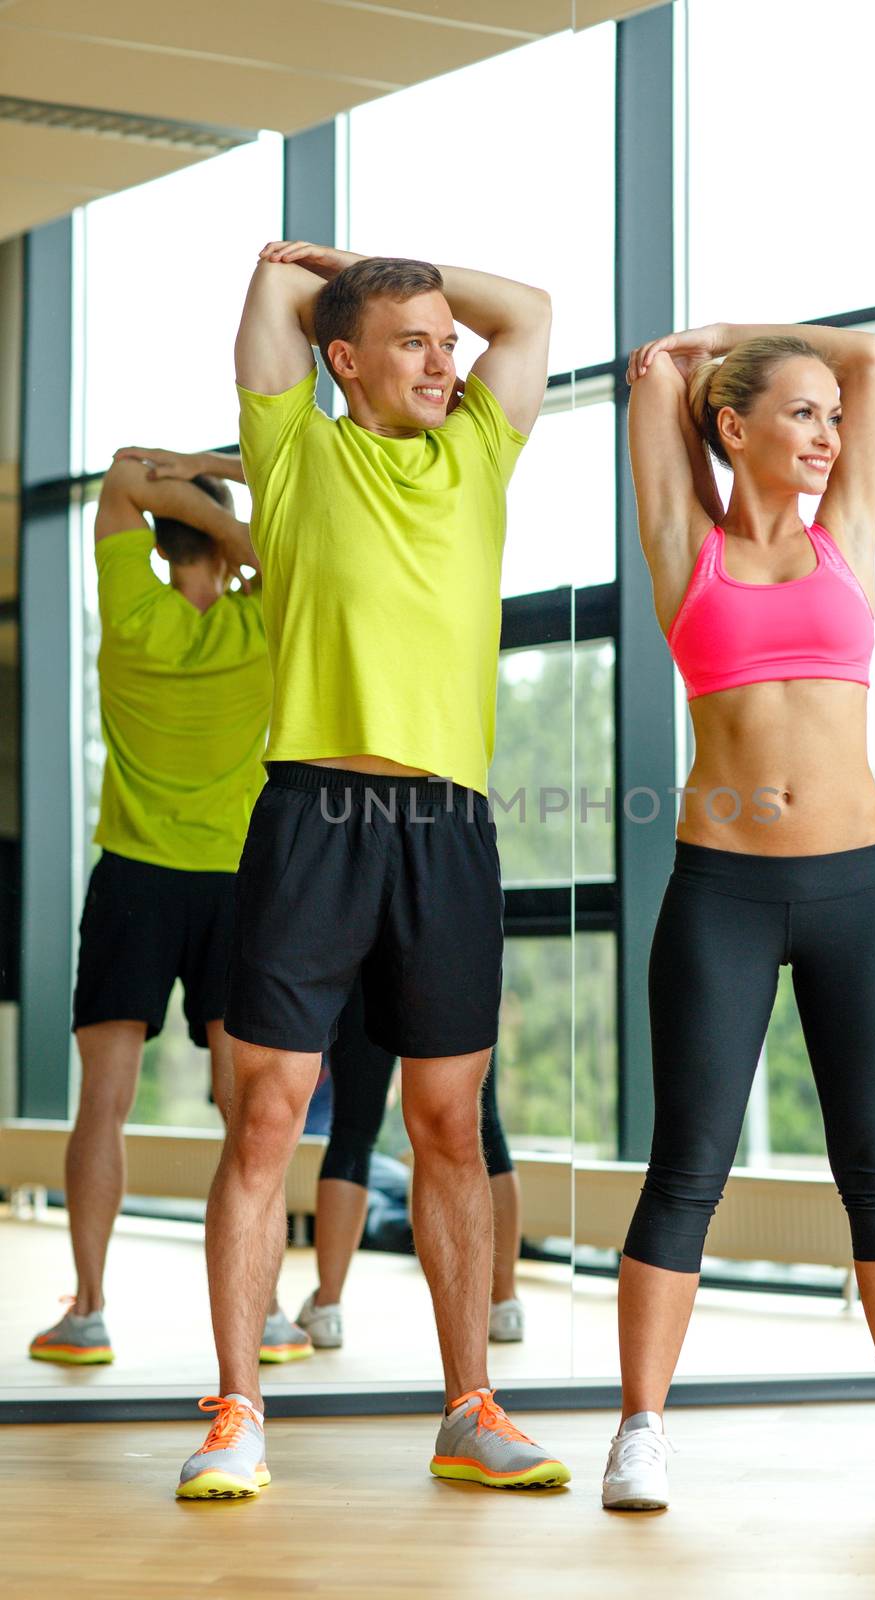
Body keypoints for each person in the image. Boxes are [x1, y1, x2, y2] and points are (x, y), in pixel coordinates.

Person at [177, 240, 569, 1501]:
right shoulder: (296, 453)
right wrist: (333, 284)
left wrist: (388, 274)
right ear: (343, 360)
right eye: (413, 343)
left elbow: (534, 313)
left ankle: (469, 1408)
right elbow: (271, 306)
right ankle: (237, 1409)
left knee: (450, 1121)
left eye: (448, 344)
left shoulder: (476, 451)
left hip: (448, 828)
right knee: (269, 1116)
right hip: (312, 817)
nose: (446, 361)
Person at [600, 321, 875, 1513]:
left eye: (830, 419)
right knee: (687, 1169)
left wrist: (735, 337)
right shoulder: (687, 547)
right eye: (800, 414)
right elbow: (656, 381)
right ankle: (640, 1432)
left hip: (856, 891)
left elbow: (868, 359)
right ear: (734, 428)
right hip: (720, 890)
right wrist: (691, 362)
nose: (826, 434)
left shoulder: (847, 538)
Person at [28, 448, 308, 1367]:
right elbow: (285, 502)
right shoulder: (261, 617)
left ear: (160, 539)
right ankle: (263, 1313)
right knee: (246, 1108)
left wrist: (171, 478)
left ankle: (90, 1312)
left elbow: (116, 477)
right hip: (234, 885)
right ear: (225, 551)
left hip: (134, 881)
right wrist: (212, 470)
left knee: (101, 1104)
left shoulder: (131, 607)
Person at [296, 980, 526, 1348]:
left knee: (352, 1132)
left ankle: (327, 1306)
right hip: (448, 944)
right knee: (483, 1128)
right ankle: (505, 1303)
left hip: (368, 948)